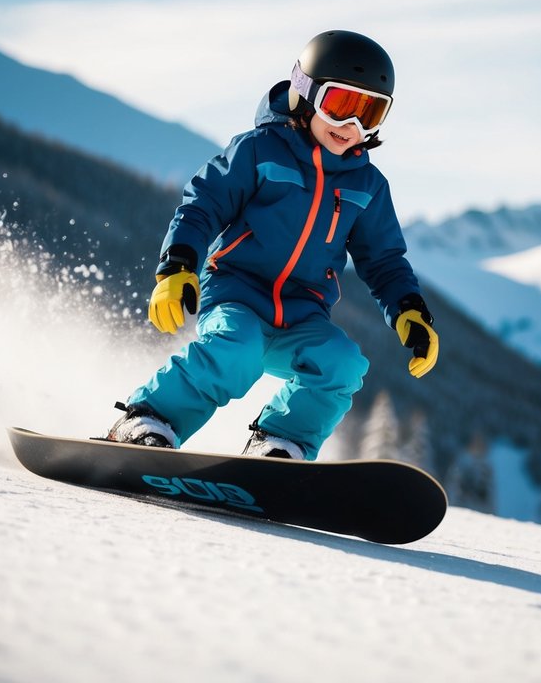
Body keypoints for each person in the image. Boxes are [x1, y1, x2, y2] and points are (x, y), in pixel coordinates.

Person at [106, 30, 439, 460]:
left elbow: (384, 260)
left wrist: (409, 310)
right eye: (341, 106)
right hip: (237, 293)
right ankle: (149, 419)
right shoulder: (258, 150)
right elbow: (202, 205)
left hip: (304, 311)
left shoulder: (368, 186)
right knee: (235, 351)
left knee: (340, 363)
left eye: (369, 113)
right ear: (306, 94)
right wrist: (177, 267)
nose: (351, 127)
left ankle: (281, 442)